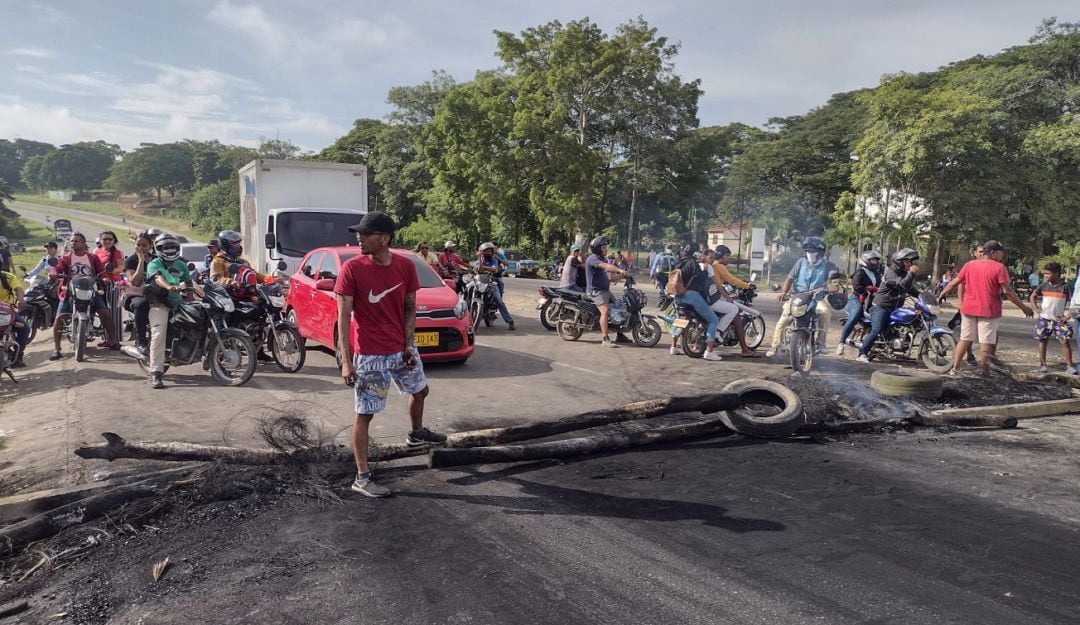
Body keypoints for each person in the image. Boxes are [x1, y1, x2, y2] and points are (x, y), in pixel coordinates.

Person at [335, 212, 445, 498]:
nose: (359, 238)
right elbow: (343, 316)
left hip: (400, 348)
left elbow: (410, 308)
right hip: (371, 355)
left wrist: (409, 345)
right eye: (358, 233)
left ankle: (416, 433)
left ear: (384, 238)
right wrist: (346, 361)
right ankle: (362, 477)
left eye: (365, 233)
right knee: (365, 414)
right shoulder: (352, 269)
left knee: (421, 390)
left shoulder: (406, 267)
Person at [939, 240, 1034, 375]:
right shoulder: (999, 268)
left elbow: (955, 282)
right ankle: (985, 372)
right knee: (986, 342)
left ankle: (955, 368)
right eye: (1001, 252)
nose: (1002, 254)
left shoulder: (969, 265)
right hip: (988, 310)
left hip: (968, 308)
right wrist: (1024, 307)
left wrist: (941, 294)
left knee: (965, 338)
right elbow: (1008, 292)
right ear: (993, 252)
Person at [48, 232, 120, 360]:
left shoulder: (92, 257)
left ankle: (113, 341)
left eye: (76, 241)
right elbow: (57, 268)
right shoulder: (65, 258)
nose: (73, 243)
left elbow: (100, 271)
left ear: (83, 243)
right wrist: (53, 273)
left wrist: (104, 278)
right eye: (71, 241)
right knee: (59, 318)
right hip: (70, 291)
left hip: (90, 289)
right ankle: (57, 349)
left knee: (105, 312)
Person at [766, 237, 839, 358]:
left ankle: (821, 343)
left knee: (825, 313)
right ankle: (775, 346)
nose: (809, 254)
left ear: (820, 253)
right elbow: (790, 278)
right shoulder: (801, 262)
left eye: (812, 251)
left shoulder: (828, 265)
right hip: (798, 296)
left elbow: (834, 278)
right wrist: (784, 292)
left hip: (818, 298)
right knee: (783, 319)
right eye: (808, 251)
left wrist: (834, 286)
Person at [145, 235, 199, 389]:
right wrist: (169, 287)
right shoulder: (155, 263)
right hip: (159, 303)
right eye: (165, 247)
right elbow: (158, 278)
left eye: (173, 247)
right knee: (159, 334)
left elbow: (189, 281)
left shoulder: (181, 264)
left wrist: (190, 298)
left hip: (178, 302)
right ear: (159, 249)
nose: (170, 250)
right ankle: (156, 373)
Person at [856, 248, 920, 363]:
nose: (909, 264)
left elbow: (910, 289)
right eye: (906, 261)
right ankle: (862, 353)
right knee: (877, 329)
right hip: (881, 306)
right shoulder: (891, 273)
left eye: (910, 262)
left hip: (894, 308)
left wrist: (923, 297)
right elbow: (901, 285)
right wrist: (912, 273)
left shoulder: (904, 274)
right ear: (899, 261)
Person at [666, 244, 722, 360]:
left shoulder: (679, 262)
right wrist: (705, 270)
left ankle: (673, 347)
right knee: (713, 320)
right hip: (692, 297)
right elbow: (700, 280)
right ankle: (709, 351)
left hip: (678, 296)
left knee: (681, 318)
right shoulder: (693, 263)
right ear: (696, 253)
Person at [708, 245, 759, 357]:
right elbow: (731, 279)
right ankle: (743, 348)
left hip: (709, 296)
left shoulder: (711, 265)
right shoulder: (719, 266)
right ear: (720, 256)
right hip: (714, 297)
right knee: (735, 311)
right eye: (727, 256)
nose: (729, 258)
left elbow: (725, 280)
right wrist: (747, 286)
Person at [1031, 262, 1076, 374]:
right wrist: (1036, 309)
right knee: (1043, 340)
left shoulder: (1065, 287)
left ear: (1056, 274)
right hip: (1044, 318)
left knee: (1064, 340)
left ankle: (1070, 366)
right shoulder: (1044, 285)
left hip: (1059, 319)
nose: (1045, 276)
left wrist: (1068, 315)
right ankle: (1043, 365)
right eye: (1044, 273)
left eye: (1048, 273)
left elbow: (1074, 302)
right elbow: (1033, 296)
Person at [585, 236, 630, 348]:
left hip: (605, 291)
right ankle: (605, 339)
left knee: (618, 309)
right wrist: (620, 269)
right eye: (604, 247)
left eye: (606, 247)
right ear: (597, 249)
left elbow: (609, 278)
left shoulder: (603, 259)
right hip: (596, 291)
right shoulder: (593, 259)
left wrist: (622, 275)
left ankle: (619, 335)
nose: (606, 250)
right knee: (605, 311)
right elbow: (606, 266)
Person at [837, 250, 884, 355]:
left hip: (871, 300)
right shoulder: (860, 272)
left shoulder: (877, 274)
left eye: (876, 260)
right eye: (872, 260)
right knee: (855, 315)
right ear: (865, 261)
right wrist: (867, 290)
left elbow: (880, 287)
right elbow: (857, 286)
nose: (875, 262)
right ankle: (841, 342)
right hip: (857, 299)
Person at [123, 234, 154, 355]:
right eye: (138, 245)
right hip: (135, 295)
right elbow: (135, 282)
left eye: (144, 245)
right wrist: (141, 261)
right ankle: (141, 340)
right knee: (141, 305)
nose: (141, 248)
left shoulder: (156, 259)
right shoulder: (131, 261)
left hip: (154, 294)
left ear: (150, 246)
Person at [475, 242, 515, 330]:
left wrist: (485, 268)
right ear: (482, 252)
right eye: (486, 251)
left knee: (498, 300)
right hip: (479, 281)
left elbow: (494, 269)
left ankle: (510, 321)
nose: (488, 253)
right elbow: (479, 269)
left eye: (490, 251)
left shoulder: (495, 259)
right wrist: (480, 259)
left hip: (491, 281)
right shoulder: (479, 260)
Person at [0, 267, 29, 368]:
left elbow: (18, 289)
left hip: (7, 311)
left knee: (25, 328)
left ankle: (18, 356)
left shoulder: (8, 277)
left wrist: (21, 299)